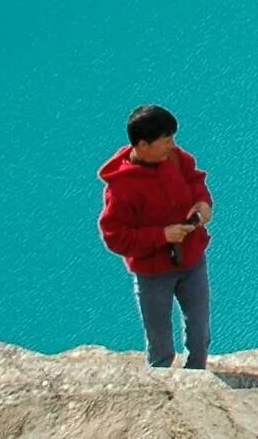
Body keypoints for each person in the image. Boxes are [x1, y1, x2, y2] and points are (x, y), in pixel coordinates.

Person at [98, 103, 214, 370]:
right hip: (153, 273)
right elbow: (115, 237)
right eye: (166, 140)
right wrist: (162, 236)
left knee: (200, 335)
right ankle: (163, 391)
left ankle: (197, 376)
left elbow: (195, 180)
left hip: (192, 260)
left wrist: (202, 203)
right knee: (160, 344)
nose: (172, 145)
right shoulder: (121, 188)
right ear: (143, 145)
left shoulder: (174, 158)